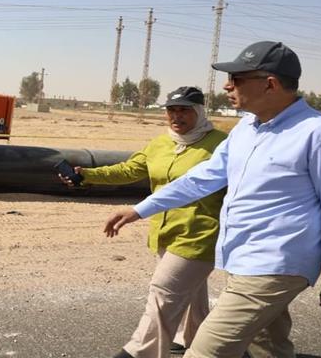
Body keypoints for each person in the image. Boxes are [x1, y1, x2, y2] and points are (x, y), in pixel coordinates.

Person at [103, 41, 321, 358]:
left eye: (237, 78)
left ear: (270, 84)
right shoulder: (245, 131)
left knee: (205, 351)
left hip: (276, 265)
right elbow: (201, 179)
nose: (228, 85)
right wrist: (141, 209)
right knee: (267, 348)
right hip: (243, 260)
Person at [61, 86, 227, 358]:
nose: (177, 116)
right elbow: (128, 170)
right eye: (172, 110)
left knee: (163, 294)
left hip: (201, 234)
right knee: (191, 291)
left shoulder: (221, 143)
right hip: (165, 232)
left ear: (199, 111)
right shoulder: (160, 144)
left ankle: (140, 352)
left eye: (184, 110)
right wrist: (88, 175)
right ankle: (201, 342)